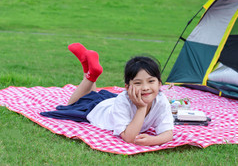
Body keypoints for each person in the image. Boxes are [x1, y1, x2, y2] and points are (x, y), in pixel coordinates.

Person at [41, 43, 174, 146]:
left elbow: (168, 133)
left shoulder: (161, 100)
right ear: (127, 87)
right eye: (138, 83)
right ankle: (90, 74)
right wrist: (142, 107)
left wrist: (154, 140)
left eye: (151, 81)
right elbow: (129, 137)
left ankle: (88, 68)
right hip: (98, 111)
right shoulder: (124, 99)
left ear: (160, 84)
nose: (146, 88)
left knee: (91, 95)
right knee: (73, 105)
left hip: (111, 104)